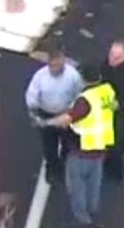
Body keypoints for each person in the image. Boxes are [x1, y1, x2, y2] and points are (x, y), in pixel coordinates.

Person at [42, 65, 117, 228]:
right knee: (94, 182)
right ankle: (93, 209)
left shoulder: (85, 100)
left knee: (77, 186)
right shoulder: (107, 90)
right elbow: (114, 106)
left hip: (82, 149)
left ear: (83, 79)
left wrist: (47, 122)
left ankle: (81, 218)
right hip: (101, 146)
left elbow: (67, 120)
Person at [24, 48, 83, 182]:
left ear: (64, 63)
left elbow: (79, 94)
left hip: (66, 115)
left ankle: (65, 167)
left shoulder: (73, 76)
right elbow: (32, 94)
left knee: (68, 144)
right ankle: (52, 169)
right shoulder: (40, 76)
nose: (55, 68)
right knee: (49, 146)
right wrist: (33, 111)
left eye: (59, 65)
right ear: (48, 64)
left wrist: (72, 112)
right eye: (53, 65)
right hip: (46, 115)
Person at [101, 40, 124, 180]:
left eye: (117, 58)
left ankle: (116, 171)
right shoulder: (106, 65)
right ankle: (107, 160)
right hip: (105, 108)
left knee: (117, 143)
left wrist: (120, 105)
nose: (112, 60)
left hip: (121, 113)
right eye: (111, 55)